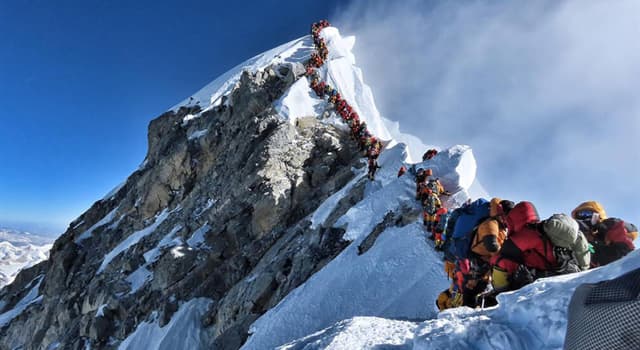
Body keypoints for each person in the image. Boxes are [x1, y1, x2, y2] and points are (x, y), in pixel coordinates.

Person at [571, 201, 636, 267]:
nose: (583, 217)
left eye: (587, 213)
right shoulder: (575, 238)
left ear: (598, 215)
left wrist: (611, 225)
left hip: (619, 268)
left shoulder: (608, 231)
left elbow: (632, 232)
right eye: (579, 215)